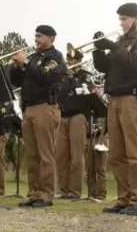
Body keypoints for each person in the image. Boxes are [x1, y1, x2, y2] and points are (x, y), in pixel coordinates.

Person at [91, 2, 137, 216]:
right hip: (115, 98)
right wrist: (98, 50)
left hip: (133, 98)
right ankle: (124, 197)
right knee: (117, 153)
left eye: (125, 19)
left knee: (134, 150)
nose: (121, 23)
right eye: (120, 19)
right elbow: (106, 67)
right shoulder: (121, 41)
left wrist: (114, 47)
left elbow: (133, 63)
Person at [8, 25, 66, 208]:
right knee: (32, 154)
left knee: (45, 153)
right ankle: (34, 192)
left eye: (40, 36)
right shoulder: (33, 58)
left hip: (45, 107)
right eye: (35, 36)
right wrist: (17, 66)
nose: (36, 39)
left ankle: (46, 194)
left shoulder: (55, 58)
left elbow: (45, 77)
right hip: (28, 108)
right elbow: (17, 81)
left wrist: (26, 63)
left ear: (51, 38)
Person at [55, 50, 93, 199]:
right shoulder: (63, 76)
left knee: (77, 155)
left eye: (71, 59)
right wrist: (66, 78)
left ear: (79, 60)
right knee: (61, 155)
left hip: (78, 115)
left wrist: (73, 78)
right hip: (63, 115)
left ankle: (75, 191)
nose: (68, 61)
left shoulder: (85, 75)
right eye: (68, 59)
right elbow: (59, 94)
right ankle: (64, 190)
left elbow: (85, 93)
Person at [85, 84, 109, 202]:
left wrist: (101, 96)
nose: (96, 89)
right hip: (91, 134)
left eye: (99, 87)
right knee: (90, 167)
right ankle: (92, 192)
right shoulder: (91, 102)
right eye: (95, 87)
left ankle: (101, 194)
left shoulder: (106, 99)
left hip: (102, 135)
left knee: (100, 168)